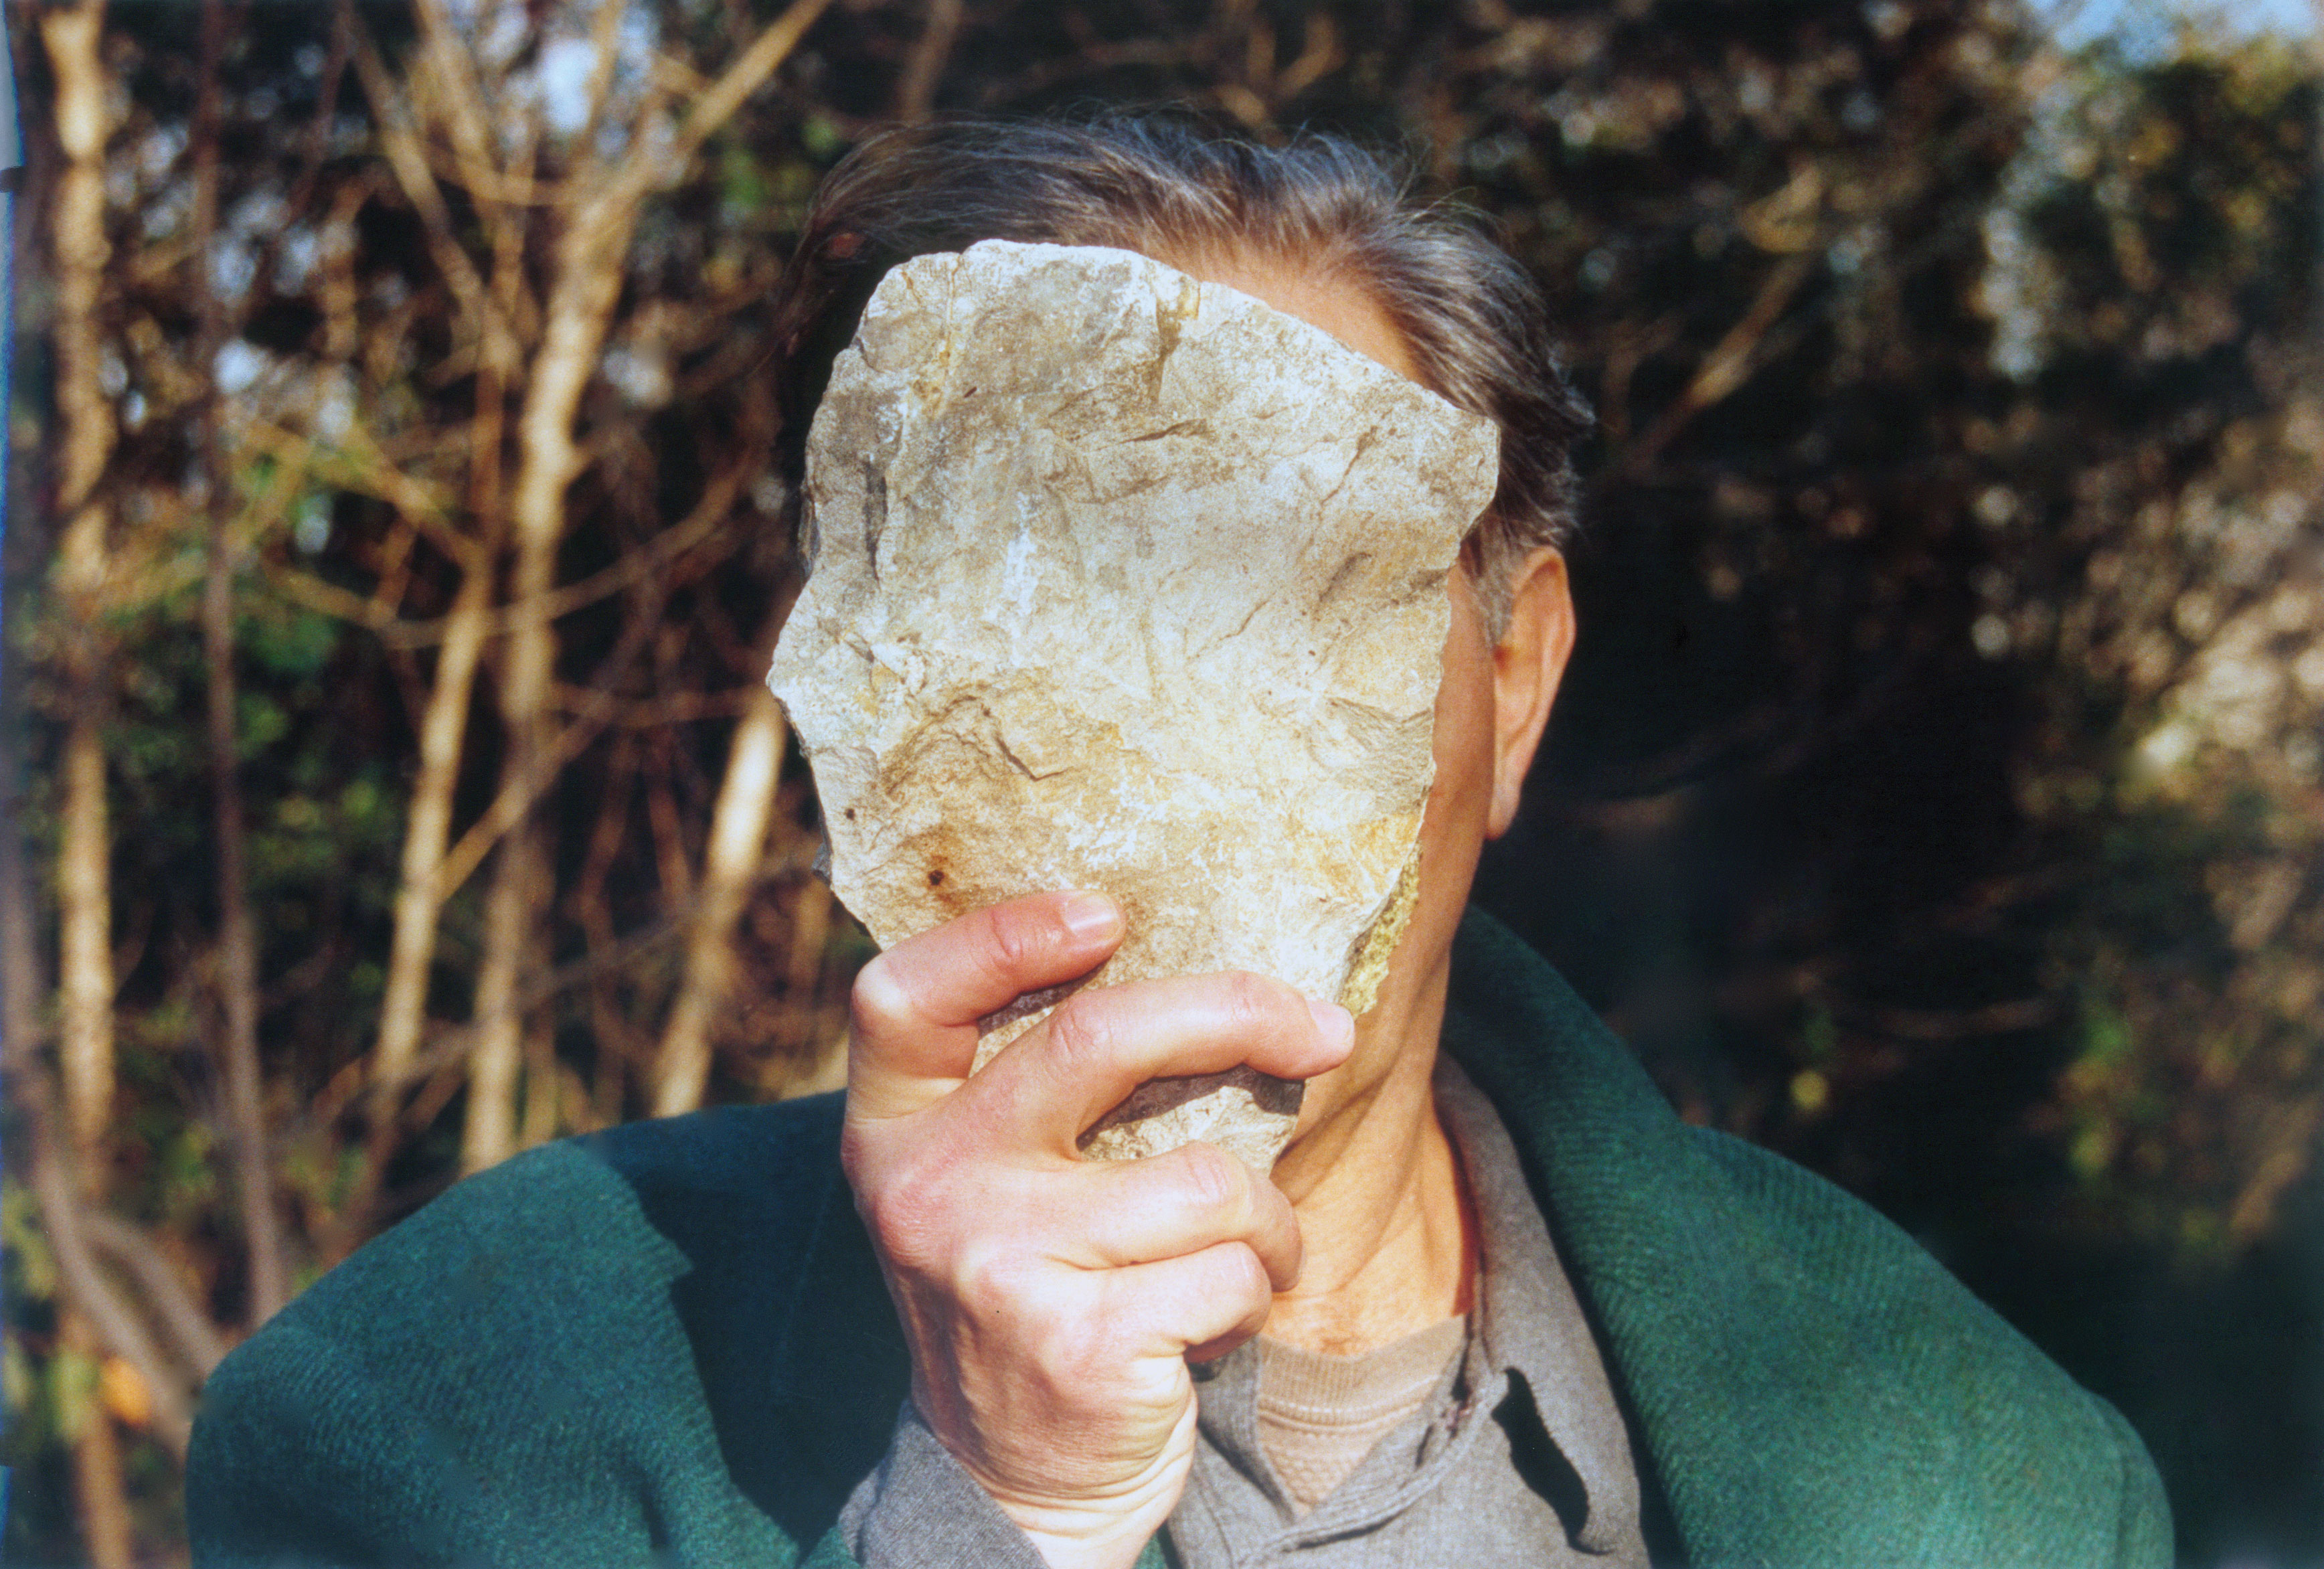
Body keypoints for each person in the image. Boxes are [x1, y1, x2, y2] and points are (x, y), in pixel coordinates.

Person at [187, 114, 2171, 1569]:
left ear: (1520, 683)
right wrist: (1000, 1517)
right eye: (1027, 625)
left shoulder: (1979, 1483)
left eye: (1295, 604)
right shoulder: (450, 1428)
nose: (1155, 768)